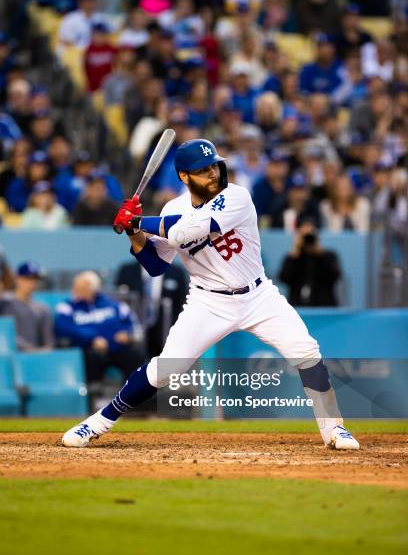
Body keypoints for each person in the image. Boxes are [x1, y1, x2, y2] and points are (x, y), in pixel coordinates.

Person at [62, 138, 359, 450]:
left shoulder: (237, 197)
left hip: (259, 296)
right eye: (203, 170)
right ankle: (96, 423)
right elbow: (155, 265)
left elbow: (187, 230)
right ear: (184, 177)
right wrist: (135, 233)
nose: (213, 174)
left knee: (306, 351)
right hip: (208, 300)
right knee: (167, 368)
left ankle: (335, 431)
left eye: (214, 166)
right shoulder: (172, 208)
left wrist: (137, 220)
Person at [55, 271, 144, 383]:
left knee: (135, 356)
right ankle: (92, 396)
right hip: (89, 350)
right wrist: (92, 339)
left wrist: (127, 334)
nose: (75, 290)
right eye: (76, 286)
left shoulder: (115, 305)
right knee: (91, 360)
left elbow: (132, 325)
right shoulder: (67, 306)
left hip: (117, 348)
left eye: (81, 287)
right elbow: (63, 328)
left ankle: (136, 394)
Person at [278, 222, 341, 306]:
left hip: (324, 303)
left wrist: (320, 253)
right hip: (297, 304)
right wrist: (295, 252)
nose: (308, 239)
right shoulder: (293, 257)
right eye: (304, 236)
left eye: (311, 236)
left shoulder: (328, 255)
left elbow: (335, 276)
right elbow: (284, 278)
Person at [0, 262, 54, 351]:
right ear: (17, 278)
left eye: (35, 279)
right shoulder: (3, 302)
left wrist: (37, 352)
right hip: (5, 356)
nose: (31, 283)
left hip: (30, 359)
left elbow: (49, 343)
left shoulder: (42, 308)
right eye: (27, 278)